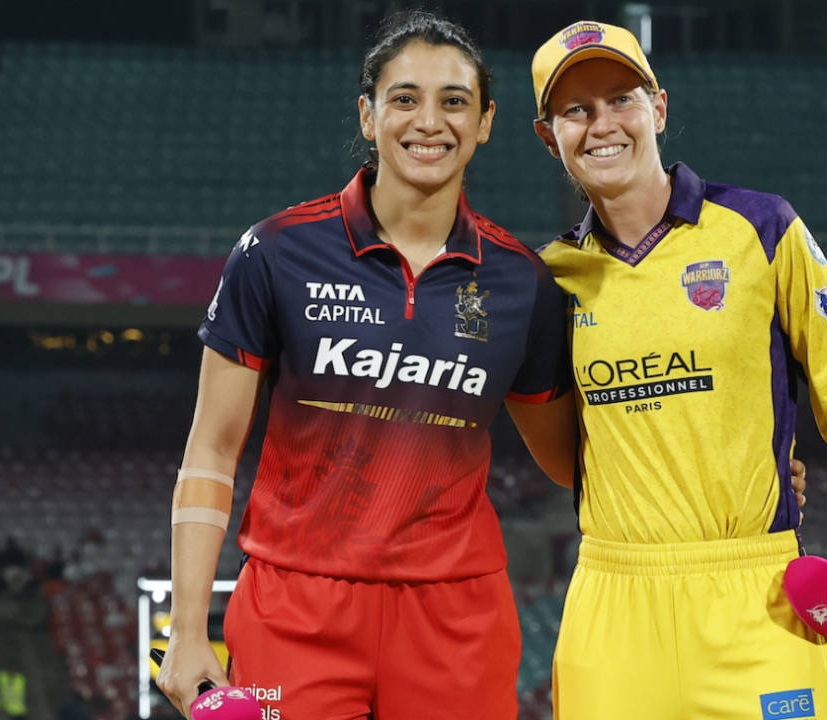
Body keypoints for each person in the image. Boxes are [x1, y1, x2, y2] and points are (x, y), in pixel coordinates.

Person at [156, 12, 578, 719]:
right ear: (368, 112)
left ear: (485, 123)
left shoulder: (520, 281)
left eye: (454, 101)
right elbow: (212, 448)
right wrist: (188, 628)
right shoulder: (277, 252)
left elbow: (570, 461)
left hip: (456, 615)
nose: (429, 122)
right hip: (296, 606)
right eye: (404, 97)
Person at [529, 21, 827, 719]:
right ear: (547, 135)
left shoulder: (763, 228)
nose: (602, 125)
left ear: (661, 108)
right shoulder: (548, 279)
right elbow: (568, 454)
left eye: (621, 98)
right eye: (576, 110)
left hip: (757, 600)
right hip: (612, 607)